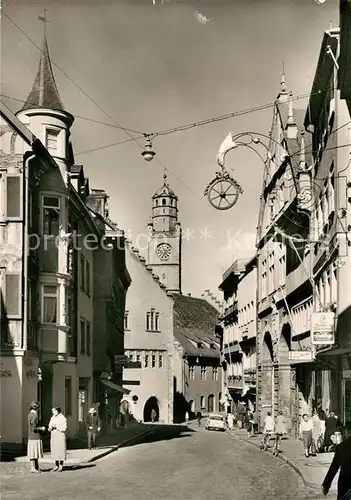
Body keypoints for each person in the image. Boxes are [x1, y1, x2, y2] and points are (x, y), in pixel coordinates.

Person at [322, 421, 351, 500]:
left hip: (346, 486)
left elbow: (334, 467)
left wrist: (326, 484)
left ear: (347, 432)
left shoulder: (342, 447)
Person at [27, 401, 45, 473]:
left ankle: (36, 467)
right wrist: (41, 428)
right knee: (33, 452)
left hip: (31, 436)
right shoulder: (34, 415)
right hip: (34, 436)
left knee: (34, 452)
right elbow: (33, 428)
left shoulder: (30, 414)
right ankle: (33, 468)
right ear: (37, 408)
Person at [48, 405, 67, 472]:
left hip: (60, 435)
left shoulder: (62, 418)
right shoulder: (52, 417)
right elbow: (50, 425)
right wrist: (50, 428)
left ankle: (61, 465)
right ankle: (56, 465)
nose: (53, 412)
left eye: (54, 411)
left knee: (60, 450)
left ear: (57, 411)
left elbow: (64, 428)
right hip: (54, 435)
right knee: (55, 450)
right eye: (52, 411)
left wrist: (56, 427)